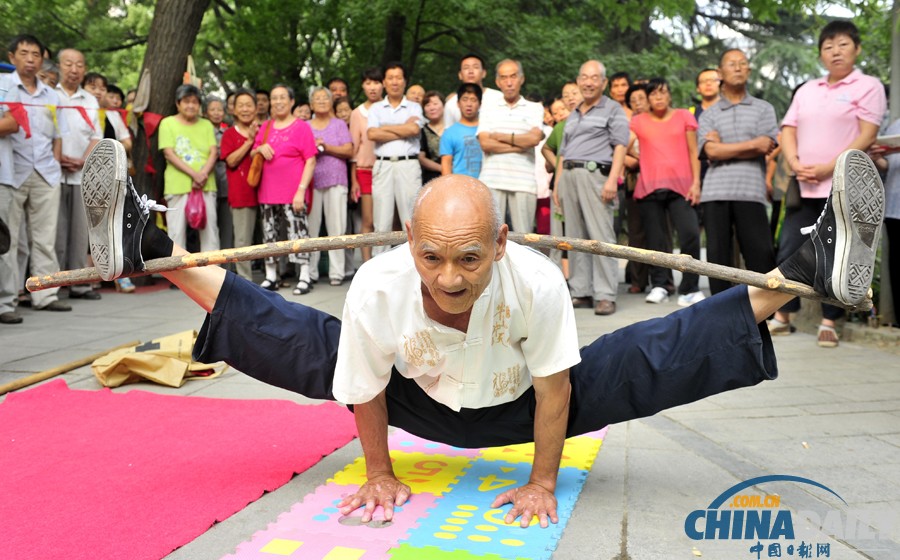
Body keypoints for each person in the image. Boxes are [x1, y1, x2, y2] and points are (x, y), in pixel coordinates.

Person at [79, 137, 883, 528]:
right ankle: (150, 249)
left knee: (637, 357)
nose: (451, 277)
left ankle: (809, 267)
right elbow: (360, 390)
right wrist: (382, 471)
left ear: (503, 245)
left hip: (526, 402)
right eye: (433, 257)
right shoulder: (380, 285)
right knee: (307, 344)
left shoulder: (534, 281)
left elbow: (557, 390)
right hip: (415, 400)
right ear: (406, 247)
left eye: (470, 258)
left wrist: (540, 481)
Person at [773, 20, 887, 347]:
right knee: (789, 248)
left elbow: (867, 133)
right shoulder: (808, 89)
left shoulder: (868, 86)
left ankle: (829, 321)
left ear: (857, 49)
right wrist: (794, 162)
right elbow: (788, 129)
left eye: (843, 45)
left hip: (843, 187)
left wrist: (829, 167)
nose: (835, 52)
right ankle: (784, 314)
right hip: (804, 186)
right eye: (828, 46)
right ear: (820, 53)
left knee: (837, 254)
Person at [1, 34, 70, 320]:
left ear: (42, 59)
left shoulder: (52, 95)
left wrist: (55, 162)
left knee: (44, 238)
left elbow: (58, 134)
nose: (30, 59)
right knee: (8, 239)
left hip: (45, 171)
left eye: (36, 55)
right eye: (24, 53)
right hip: (9, 171)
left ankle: (45, 293)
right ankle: (6, 301)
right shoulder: (3, 87)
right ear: (12, 56)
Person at [698, 49, 778, 296]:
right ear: (720, 73)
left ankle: (762, 317)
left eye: (743, 63)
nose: (738, 67)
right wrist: (751, 145)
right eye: (732, 64)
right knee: (717, 261)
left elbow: (766, 146)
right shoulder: (709, 113)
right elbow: (710, 152)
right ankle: (720, 316)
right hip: (715, 193)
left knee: (760, 257)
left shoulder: (764, 108)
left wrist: (724, 148)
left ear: (749, 71)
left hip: (750, 191)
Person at [554, 60, 629, 316]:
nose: (588, 82)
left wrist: (612, 180)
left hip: (595, 175)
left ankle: (606, 294)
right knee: (575, 237)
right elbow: (562, 154)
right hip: (569, 177)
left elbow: (621, 145)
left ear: (603, 82)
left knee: (601, 236)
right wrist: (557, 186)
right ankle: (581, 291)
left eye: (594, 78)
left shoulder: (613, 108)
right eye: (584, 77)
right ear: (578, 80)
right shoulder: (573, 113)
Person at [629, 77, 704, 306]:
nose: (658, 97)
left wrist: (696, 183)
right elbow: (623, 145)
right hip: (649, 186)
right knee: (655, 240)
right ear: (648, 98)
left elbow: (694, 153)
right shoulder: (638, 121)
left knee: (690, 234)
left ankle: (689, 288)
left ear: (670, 95)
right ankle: (660, 285)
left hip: (682, 187)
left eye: (662, 93)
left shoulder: (684, 116)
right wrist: (640, 158)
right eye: (653, 94)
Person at [249, 84, 316, 294]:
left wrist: (301, 190)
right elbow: (253, 153)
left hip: (293, 192)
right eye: (274, 98)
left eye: (282, 98)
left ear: (292, 101)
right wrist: (259, 148)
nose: (278, 102)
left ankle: (304, 275)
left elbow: (311, 160)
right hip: (268, 192)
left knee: (298, 232)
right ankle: (271, 275)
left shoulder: (302, 127)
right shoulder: (266, 126)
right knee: (269, 233)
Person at [55, 48, 102, 301]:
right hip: (52, 173)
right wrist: (58, 157)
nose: (74, 69)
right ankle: (53, 283)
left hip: (82, 175)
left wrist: (83, 159)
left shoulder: (90, 100)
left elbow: (96, 135)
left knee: (80, 233)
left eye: (79, 64)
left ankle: (80, 284)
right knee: (55, 232)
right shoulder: (51, 94)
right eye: (68, 64)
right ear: (59, 66)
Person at [477, 59, 544, 233]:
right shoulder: (487, 107)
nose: (509, 82)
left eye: (513, 76)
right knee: (490, 235)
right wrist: (520, 144)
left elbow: (534, 139)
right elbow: (485, 143)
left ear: (522, 78)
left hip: (524, 182)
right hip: (492, 179)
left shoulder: (534, 108)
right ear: (497, 82)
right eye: (504, 77)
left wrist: (500, 136)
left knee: (525, 237)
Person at [367, 61, 422, 255]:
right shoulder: (375, 108)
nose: (394, 82)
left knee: (411, 219)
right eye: (390, 78)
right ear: (384, 82)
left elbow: (414, 129)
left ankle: (416, 267)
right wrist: (402, 129)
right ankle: (378, 268)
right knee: (381, 219)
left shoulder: (414, 107)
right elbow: (372, 134)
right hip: (383, 165)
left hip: (408, 164)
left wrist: (385, 128)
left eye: (398, 77)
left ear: (405, 81)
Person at [158, 84, 220, 252]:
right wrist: (195, 175)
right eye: (186, 101)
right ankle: (178, 275)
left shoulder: (206, 124)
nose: (191, 105)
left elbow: (214, 152)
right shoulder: (167, 123)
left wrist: (203, 174)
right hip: (177, 185)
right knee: (176, 234)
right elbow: (169, 153)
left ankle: (213, 276)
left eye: (195, 102)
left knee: (210, 233)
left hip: (206, 184)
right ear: (178, 104)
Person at [307, 86, 353, 287]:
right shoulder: (305, 126)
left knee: (337, 228)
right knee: (312, 228)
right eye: (317, 99)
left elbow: (348, 150)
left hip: (336, 180)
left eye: (325, 98)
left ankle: (337, 272)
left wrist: (326, 147)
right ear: (311, 104)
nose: (322, 101)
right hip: (312, 182)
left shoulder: (339, 124)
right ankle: (310, 272)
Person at [219, 88, 259, 283]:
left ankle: (274, 275)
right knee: (243, 239)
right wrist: (250, 141)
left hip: (267, 192)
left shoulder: (265, 129)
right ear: (233, 109)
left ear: (256, 108)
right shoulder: (229, 134)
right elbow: (231, 161)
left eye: (249, 105)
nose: (245, 109)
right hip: (242, 192)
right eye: (240, 105)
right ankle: (246, 281)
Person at [349, 67, 384, 263]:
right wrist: (353, 180)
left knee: (390, 220)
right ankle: (366, 264)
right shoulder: (357, 113)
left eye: (376, 82)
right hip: (364, 170)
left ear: (383, 85)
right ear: (363, 85)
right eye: (369, 83)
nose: (373, 87)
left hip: (387, 167)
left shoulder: (389, 108)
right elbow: (354, 148)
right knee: (368, 220)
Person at [871, 131, 900, 327]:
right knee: (896, 264)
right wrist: (878, 158)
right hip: (895, 205)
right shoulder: (896, 125)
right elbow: (888, 166)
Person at [443, 53, 502, 128]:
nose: (470, 71)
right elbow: (449, 132)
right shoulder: (451, 104)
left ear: (484, 73)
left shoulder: (498, 98)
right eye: (466, 68)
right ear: (460, 75)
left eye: (475, 67)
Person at [206, 96, 233, 258]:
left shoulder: (227, 132)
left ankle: (228, 264)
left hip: (225, 183)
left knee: (227, 226)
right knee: (208, 226)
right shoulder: (201, 131)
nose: (216, 113)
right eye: (212, 109)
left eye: (220, 110)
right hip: (206, 183)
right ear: (205, 112)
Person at [439, 83, 482, 178]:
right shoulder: (449, 133)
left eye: (473, 100)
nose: (469, 104)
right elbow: (446, 164)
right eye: (465, 99)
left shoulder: (486, 129)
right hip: (460, 186)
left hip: (487, 185)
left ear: (480, 104)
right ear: (458, 103)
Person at [418, 90, 444, 184]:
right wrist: (443, 168)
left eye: (435, 103)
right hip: (431, 179)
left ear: (443, 105)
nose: (432, 108)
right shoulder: (422, 131)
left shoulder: (453, 129)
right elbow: (421, 158)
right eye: (427, 105)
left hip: (456, 176)